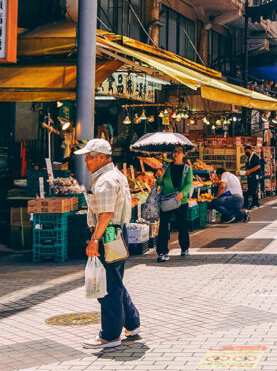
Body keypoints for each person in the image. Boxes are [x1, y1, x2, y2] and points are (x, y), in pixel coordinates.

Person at [76, 138, 140, 353]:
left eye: (89, 156)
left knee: (108, 287)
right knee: (115, 280)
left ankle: (110, 335)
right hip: (116, 235)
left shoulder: (105, 181)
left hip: (106, 237)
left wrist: (94, 240)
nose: (85, 161)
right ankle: (132, 323)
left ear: (101, 157)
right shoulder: (116, 175)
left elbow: (105, 214)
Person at [155, 145, 194, 262]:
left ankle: (185, 247)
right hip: (167, 200)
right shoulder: (166, 167)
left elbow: (189, 183)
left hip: (180, 201)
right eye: (174, 151)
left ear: (184, 154)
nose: (176, 154)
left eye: (179, 151)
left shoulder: (187, 168)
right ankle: (162, 252)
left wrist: (183, 193)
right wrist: (160, 176)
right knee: (163, 226)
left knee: (182, 225)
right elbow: (160, 183)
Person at [244, 145, 262, 210]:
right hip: (250, 176)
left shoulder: (255, 156)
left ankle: (255, 204)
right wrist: (245, 171)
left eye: (246, 151)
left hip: (255, 175)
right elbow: (247, 165)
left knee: (254, 189)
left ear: (250, 150)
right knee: (251, 189)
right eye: (245, 151)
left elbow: (258, 166)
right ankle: (254, 203)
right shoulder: (249, 157)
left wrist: (250, 171)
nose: (246, 152)